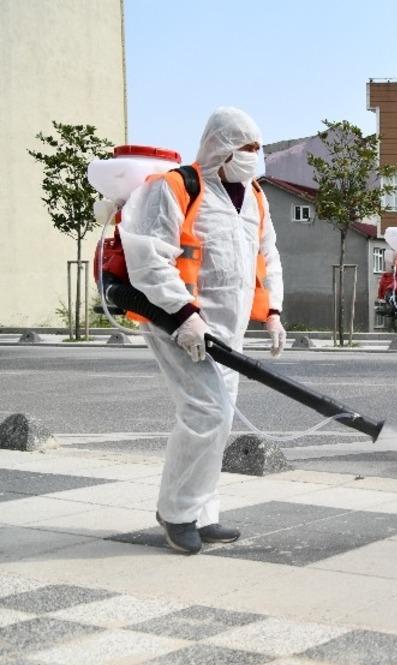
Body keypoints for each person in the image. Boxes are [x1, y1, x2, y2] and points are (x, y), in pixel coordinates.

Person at [119, 107, 286, 555]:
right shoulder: (177, 187)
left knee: (220, 418)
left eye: (257, 147)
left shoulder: (255, 197)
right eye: (245, 146)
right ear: (220, 146)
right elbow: (148, 256)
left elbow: (267, 257)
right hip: (177, 323)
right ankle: (176, 513)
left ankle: (202, 512)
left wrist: (273, 311)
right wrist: (184, 312)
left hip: (227, 330)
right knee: (206, 413)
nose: (253, 155)